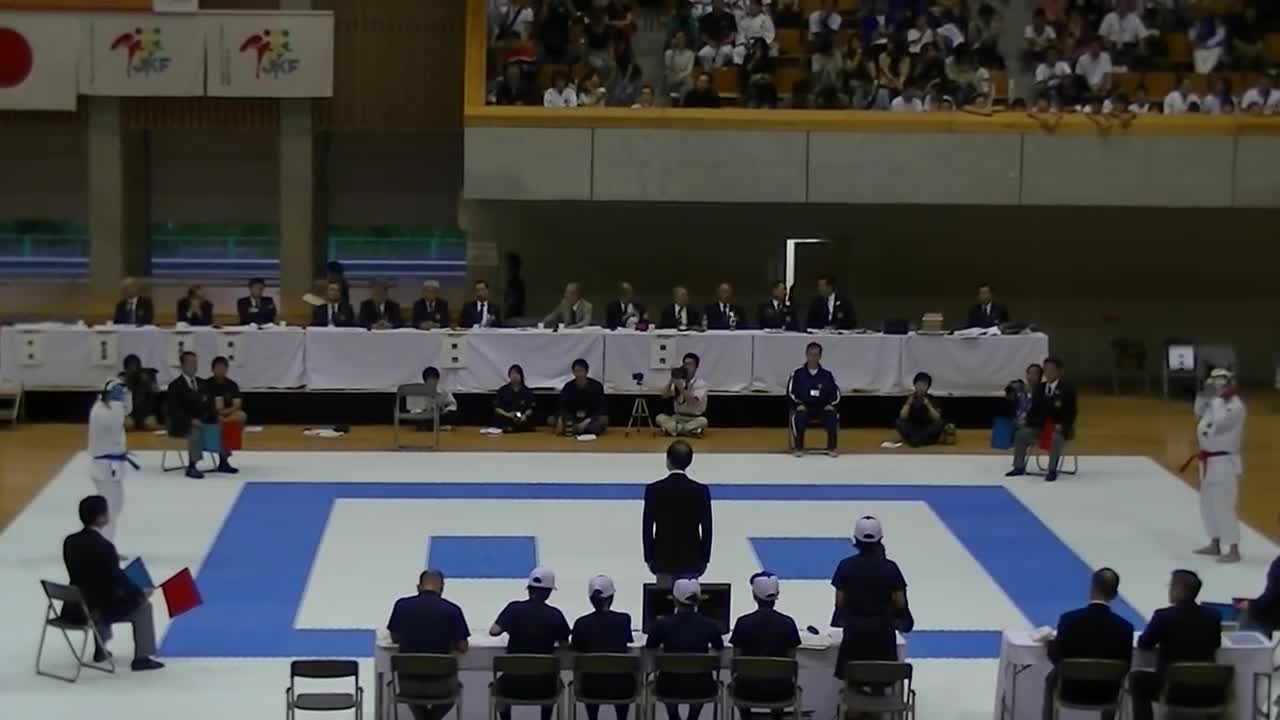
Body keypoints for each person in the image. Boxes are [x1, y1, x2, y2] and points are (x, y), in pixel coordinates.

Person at [62, 495, 163, 671]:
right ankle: (142, 657)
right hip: (97, 609)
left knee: (93, 593)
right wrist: (140, 593)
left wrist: (109, 560)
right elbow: (117, 581)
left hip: (75, 606)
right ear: (101, 517)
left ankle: (100, 649)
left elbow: (86, 568)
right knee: (143, 607)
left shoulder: (70, 542)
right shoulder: (105, 546)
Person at [1130, 570, 1223, 720]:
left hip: (1172, 689)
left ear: (1179, 589)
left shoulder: (1163, 616)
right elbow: (1216, 643)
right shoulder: (1213, 616)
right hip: (1207, 688)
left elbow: (1144, 643)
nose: (1169, 590)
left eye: (1171, 586)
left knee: (1137, 679)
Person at [1042, 568, 1133, 720]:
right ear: (1115, 595)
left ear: (1092, 588)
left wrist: (1049, 645)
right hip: (1107, 694)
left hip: (1070, 691)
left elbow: (1057, 658)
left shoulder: (1069, 620)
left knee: (1052, 677)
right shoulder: (1125, 627)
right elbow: (1126, 665)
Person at [831, 516, 911, 681]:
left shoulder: (845, 565)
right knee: (882, 675)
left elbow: (839, 601)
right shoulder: (891, 568)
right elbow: (900, 601)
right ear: (880, 539)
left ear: (856, 540)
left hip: (854, 633)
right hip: (883, 633)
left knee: (853, 675)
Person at [489, 568, 572, 720]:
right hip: (545, 687)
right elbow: (565, 645)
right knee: (554, 682)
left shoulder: (513, 608)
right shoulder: (555, 614)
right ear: (548, 592)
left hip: (511, 686)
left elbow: (494, 631)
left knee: (499, 688)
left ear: (529, 589)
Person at [387, 569, 470, 720]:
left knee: (412, 694)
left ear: (418, 587)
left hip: (408, 686)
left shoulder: (401, 606)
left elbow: (394, 638)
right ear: (442, 588)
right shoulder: (452, 610)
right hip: (441, 687)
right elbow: (463, 647)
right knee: (454, 691)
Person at [645, 579, 725, 720]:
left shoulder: (660, 624)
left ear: (674, 599)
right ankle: (693, 717)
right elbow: (719, 648)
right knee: (700, 681)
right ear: (698, 600)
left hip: (668, 688)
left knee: (667, 681)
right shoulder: (711, 625)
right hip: (702, 688)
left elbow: (650, 649)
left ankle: (673, 716)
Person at [1191, 368, 1246, 563]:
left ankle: (1233, 548)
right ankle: (1214, 541)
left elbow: (1219, 426)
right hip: (1208, 462)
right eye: (1213, 380)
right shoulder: (1213, 403)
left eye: (1220, 381)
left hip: (1224, 462)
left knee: (1224, 505)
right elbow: (1197, 413)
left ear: (1230, 382)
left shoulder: (1235, 407)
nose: (1215, 384)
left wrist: (1217, 400)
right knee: (1207, 504)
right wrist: (1203, 395)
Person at [643, 441, 712, 587]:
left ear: (668, 460)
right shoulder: (700, 490)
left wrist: (649, 557)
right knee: (688, 600)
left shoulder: (654, 489)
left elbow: (647, 527)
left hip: (663, 557)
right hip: (691, 556)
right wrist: (705, 558)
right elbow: (707, 528)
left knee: (662, 602)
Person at [728, 573, 801, 710]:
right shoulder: (788, 623)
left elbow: (736, 661)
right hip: (781, 692)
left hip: (747, 691)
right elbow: (792, 660)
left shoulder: (743, 623)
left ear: (754, 595)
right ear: (777, 594)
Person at [570, 575, 636, 720]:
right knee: (621, 680)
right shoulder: (624, 620)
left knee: (591, 679)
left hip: (590, 689)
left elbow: (575, 648)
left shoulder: (581, 623)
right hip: (621, 689)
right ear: (611, 597)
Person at [1008, 356, 1077, 482]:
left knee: (1055, 437)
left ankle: (1052, 470)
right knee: (1021, 435)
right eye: (1046, 370)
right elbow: (1034, 410)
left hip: (1058, 427)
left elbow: (1071, 413)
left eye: (1051, 370)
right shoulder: (1040, 388)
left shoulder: (1067, 389)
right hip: (1040, 426)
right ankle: (1018, 466)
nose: (1048, 373)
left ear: (1059, 371)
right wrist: (1027, 422)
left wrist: (1063, 426)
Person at [88, 380, 135, 543]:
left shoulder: (111, 408)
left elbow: (128, 410)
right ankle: (104, 545)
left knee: (117, 505)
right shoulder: (99, 411)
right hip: (104, 467)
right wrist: (116, 402)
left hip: (113, 466)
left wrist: (127, 395)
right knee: (108, 510)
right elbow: (115, 425)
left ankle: (107, 543)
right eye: (117, 393)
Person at [788, 342, 839, 456]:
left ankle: (831, 447)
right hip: (804, 406)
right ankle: (798, 447)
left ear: (820, 357)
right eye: (811, 355)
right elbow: (790, 392)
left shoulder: (827, 375)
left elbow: (835, 392)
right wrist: (798, 404)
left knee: (832, 415)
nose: (813, 358)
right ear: (806, 355)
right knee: (799, 416)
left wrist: (831, 404)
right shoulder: (797, 374)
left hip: (822, 407)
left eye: (816, 355)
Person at [166, 351, 211, 479]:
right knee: (195, 429)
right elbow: (173, 411)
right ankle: (192, 465)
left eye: (195, 363)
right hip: (181, 424)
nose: (194, 366)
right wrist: (191, 420)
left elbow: (208, 403)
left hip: (201, 420)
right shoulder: (175, 386)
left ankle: (224, 460)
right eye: (190, 363)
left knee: (220, 425)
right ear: (183, 365)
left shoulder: (202, 383)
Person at [656, 354, 709, 438]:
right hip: (677, 418)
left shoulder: (701, 384)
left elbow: (692, 402)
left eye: (690, 364)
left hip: (694, 418)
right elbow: (664, 396)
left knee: (703, 421)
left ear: (696, 367)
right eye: (685, 364)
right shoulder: (679, 380)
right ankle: (686, 432)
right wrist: (671, 380)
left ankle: (674, 430)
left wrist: (681, 389)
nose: (686, 367)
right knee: (659, 417)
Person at [206, 356, 244, 473]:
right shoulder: (206, 385)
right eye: (218, 368)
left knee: (241, 416)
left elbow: (237, 404)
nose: (220, 370)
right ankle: (224, 459)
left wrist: (225, 414)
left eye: (223, 368)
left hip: (227, 416)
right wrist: (217, 414)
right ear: (213, 369)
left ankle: (225, 428)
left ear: (227, 369)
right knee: (219, 425)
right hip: (211, 415)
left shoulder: (232, 385)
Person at [554, 358, 607, 437]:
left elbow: (601, 408)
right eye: (576, 371)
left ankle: (575, 429)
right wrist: (560, 419)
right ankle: (576, 429)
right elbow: (562, 405)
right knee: (551, 420)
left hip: (590, 418)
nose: (578, 374)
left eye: (581, 371)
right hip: (573, 417)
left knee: (603, 420)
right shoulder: (568, 386)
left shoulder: (596, 386)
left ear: (586, 371)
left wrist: (587, 421)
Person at [895, 372, 945, 448]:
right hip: (912, 427)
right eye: (919, 384)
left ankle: (915, 440)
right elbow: (902, 417)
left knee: (940, 423)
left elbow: (937, 418)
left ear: (928, 387)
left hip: (927, 427)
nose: (921, 387)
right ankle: (921, 441)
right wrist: (908, 404)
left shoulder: (932, 399)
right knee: (898, 422)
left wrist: (928, 405)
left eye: (924, 385)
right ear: (914, 385)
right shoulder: (909, 398)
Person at [118, 354, 159, 431]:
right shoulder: (123, 377)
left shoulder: (149, 374)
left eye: (135, 367)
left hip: (146, 412)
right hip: (130, 413)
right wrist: (122, 383)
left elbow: (156, 391)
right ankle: (135, 423)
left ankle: (142, 423)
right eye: (129, 368)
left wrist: (148, 381)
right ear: (126, 369)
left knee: (151, 425)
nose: (133, 370)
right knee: (127, 425)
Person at [494, 364, 536, 432]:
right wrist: (507, 414)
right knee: (498, 418)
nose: (515, 376)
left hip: (521, 416)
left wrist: (524, 415)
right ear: (509, 376)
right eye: (512, 374)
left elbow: (530, 408)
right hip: (507, 415)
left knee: (530, 419)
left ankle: (515, 427)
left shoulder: (527, 391)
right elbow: (497, 408)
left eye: (517, 374)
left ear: (521, 376)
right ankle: (509, 427)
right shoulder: (503, 390)